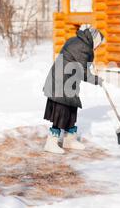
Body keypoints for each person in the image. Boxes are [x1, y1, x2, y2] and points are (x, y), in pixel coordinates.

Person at [42, 24, 105, 154]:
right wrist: (96, 80)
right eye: (99, 44)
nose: (98, 47)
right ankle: (51, 142)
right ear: (95, 40)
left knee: (71, 110)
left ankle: (69, 140)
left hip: (65, 81)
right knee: (61, 112)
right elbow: (82, 72)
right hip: (62, 82)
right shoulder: (84, 48)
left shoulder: (77, 41)